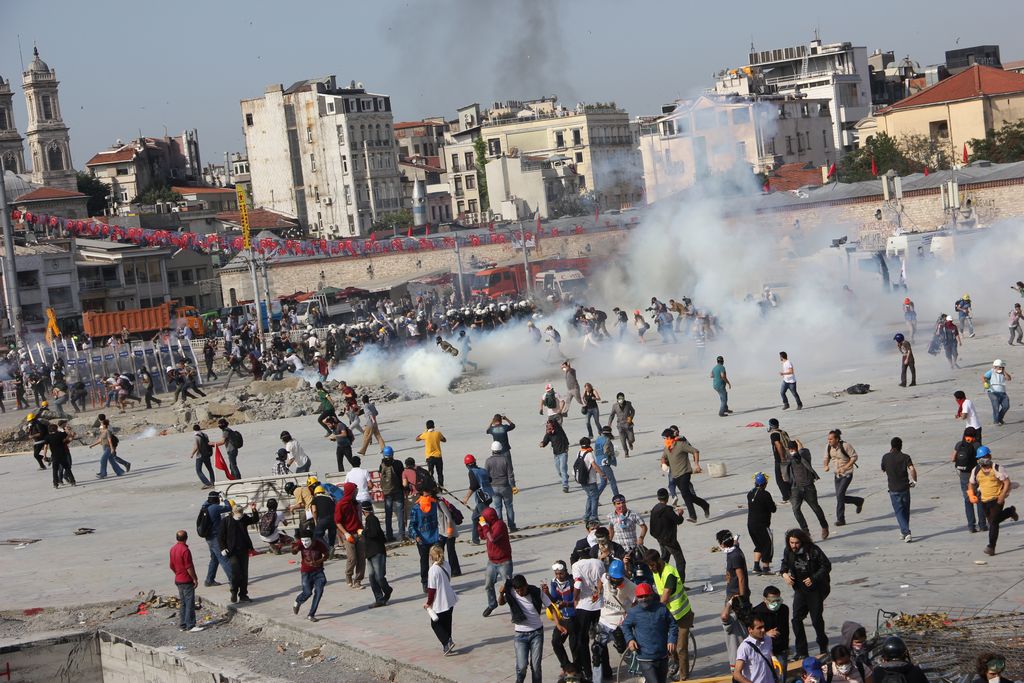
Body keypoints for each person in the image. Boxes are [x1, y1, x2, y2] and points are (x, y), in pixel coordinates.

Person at [780, 528, 831, 658]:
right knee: (796, 619)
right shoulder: (788, 551)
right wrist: (784, 574)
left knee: (816, 620)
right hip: (799, 589)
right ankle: (802, 651)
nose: (794, 546)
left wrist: (814, 578)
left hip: (815, 590)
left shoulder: (813, 550)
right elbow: (784, 564)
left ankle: (823, 647)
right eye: (791, 543)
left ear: (802, 541)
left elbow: (826, 565)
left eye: (796, 543)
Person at [646, 549, 693, 680]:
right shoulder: (656, 571)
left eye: (652, 565)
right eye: (649, 566)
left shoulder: (669, 573)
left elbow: (665, 597)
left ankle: (684, 677)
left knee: (681, 648)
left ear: (658, 560)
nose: (651, 568)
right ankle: (675, 664)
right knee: (668, 645)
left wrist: (654, 613)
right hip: (669, 615)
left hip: (682, 615)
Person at [499, 574, 552, 683]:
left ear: (526, 585)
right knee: (522, 666)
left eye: (522, 590)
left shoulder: (536, 592)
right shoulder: (512, 592)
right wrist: (501, 593)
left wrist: (558, 623)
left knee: (536, 666)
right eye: (518, 591)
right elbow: (501, 602)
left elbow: (550, 606)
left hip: (537, 633)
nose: (520, 593)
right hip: (520, 635)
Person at [622, 581, 679, 683]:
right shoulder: (633, 612)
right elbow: (625, 626)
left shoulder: (662, 609)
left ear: (651, 595)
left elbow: (673, 625)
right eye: (641, 596)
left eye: (646, 596)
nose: (644, 599)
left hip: (662, 656)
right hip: (645, 658)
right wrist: (630, 639)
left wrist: (672, 639)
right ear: (637, 597)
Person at [968, 446, 1019, 555]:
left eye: (985, 456)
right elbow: (971, 483)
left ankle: (991, 547)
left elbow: (1007, 482)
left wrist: (1002, 496)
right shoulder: (976, 470)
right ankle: (1010, 511)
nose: (983, 459)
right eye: (980, 457)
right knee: (992, 521)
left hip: (996, 499)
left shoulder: (997, 468)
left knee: (994, 522)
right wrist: (971, 494)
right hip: (984, 500)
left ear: (990, 456)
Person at [592, 559, 636, 682]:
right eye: (613, 579)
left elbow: (637, 602)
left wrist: (630, 615)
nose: (615, 583)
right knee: (596, 651)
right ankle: (597, 681)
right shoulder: (605, 577)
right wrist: (598, 591)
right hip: (604, 621)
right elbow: (600, 580)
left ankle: (640, 672)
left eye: (618, 580)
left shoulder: (629, 586)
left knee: (625, 651)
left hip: (619, 623)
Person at [661, 428, 710, 522]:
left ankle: (693, 516)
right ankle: (704, 504)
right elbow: (663, 457)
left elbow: (695, 451)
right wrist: (663, 464)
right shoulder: (667, 448)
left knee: (685, 494)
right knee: (688, 495)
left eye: (665, 438)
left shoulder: (681, 445)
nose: (664, 441)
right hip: (675, 475)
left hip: (685, 473)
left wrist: (696, 464)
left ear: (669, 437)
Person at [570, 552, 606, 679]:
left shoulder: (577, 565)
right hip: (599, 604)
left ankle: (588, 672)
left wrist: (575, 599)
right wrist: (598, 593)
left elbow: (578, 584)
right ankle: (605, 670)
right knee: (601, 638)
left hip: (584, 606)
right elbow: (603, 581)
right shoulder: (599, 562)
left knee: (582, 640)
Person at [785, 438, 830, 540]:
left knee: (815, 508)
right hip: (796, 488)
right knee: (796, 509)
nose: (791, 451)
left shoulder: (804, 454)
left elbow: (803, 450)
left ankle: (824, 526)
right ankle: (805, 532)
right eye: (790, 449)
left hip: (808, 486)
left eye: (793, 449)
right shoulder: (789, 457)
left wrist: (799, 444)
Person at [218, 501, 259, 603]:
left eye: (240, 515)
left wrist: (254, 509)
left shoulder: (244, 518)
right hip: (232, 552)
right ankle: (234, 592)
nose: (239, 517)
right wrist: (223, 548)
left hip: (244, 550)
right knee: (236, 573)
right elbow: (220, 537)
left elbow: (255, 519)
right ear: (233, 513)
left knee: (244, 574)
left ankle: (243, 595)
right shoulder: (226, 521)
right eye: (237, 515)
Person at [823, 429, 864, 527]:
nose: (829, 441)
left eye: (831, 439)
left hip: (847, 474)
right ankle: (858, 501)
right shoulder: (828, 447)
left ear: (837, 439)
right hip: (837, 475)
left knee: (840, 495)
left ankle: (841, 519)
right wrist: (826, 465)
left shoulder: (845, 446)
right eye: (828, 439)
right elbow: (826, 458)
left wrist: (845, 467)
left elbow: (854, 457)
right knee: (839, 497)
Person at [880, 437, 917, 542]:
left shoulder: (886, 457)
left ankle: (906, 532)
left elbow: (883, 469)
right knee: (905, 511)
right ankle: (904, 531)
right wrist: (914, 481)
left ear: (891, 446)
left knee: (899, 511)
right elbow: (912, 469)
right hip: (905, 488)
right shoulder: (905, 457)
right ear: (901, 446)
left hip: (893, 488)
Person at [480, 506, 514, 617]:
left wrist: (485, 526)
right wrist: (480, 526)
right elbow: (483, 536)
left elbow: (492, 539)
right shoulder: (489, 525)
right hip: (492, 561)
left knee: (508, 587)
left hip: (504, 561)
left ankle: (515, 608)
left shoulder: (500, 525)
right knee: (488, 585)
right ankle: (492, 604)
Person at [544, 561, 577, 677]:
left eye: (561, 574)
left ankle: (577, 669)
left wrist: (567, 604)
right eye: (556, 573)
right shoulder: (554, 582)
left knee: (574, 645)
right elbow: (554, 600)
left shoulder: (572, 582)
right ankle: (566, 666)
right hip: (563, 618)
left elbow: (577, 602)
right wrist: (547, 593)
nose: (558, 576)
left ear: (566, 572)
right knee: (556, 641)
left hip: (574, 618)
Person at [952, 427, 987, 534]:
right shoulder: (977, 445)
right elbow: (983, 461)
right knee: (979, 499)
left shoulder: (959, 444)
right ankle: (982, 525)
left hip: (963, 476)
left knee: (968, 500)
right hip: (975, 475)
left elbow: (953, 458)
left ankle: (971, 526)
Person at [424, 544, 458, 656]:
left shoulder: (433, 570)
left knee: (436, 624)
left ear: (431, 556)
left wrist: (428, 603)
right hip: (450, 598)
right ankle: (448, 643)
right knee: (447, 622)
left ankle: (446, 642)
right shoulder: (446, 564)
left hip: (440, 601)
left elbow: (432, 590)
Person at [289, 528, 328, 622]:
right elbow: (294, 552)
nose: (305, 543)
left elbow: (327, 555)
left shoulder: (319, 544)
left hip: (318, 572)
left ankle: (311, 614)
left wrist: (319, 562)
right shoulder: (301, 543)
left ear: (312, 539)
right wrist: (294, 548)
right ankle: (298, 601)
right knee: (307, 592)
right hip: (306, 572)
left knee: (319, 592)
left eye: (307, 541)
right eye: (303, 541)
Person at [408, 485, 441, 593]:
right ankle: (425, 582)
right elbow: (411, 525)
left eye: (429, 494)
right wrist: (416, 536)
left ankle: (438, 581)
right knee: (424, 562)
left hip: (435, 538)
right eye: (426, 494)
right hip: (422, 540)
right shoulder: (416, 508)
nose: (428, 496)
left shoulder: (435, 504)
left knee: (438, 561)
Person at [169, 530, 203, 632]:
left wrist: (178, 573)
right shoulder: (185, 550)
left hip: (178, 580)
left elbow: (171, 565)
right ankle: (190, 625)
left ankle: (183, 625)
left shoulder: (173, 549)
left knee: (183, 603)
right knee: (189, 603)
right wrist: (195, 578)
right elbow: (189, 567)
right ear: (186, 538)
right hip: (186, 580)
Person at [362, 500, 394, 608]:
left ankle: (387, 590)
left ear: (363, 512)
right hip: (370, 553)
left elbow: (374, 533)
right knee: (372, 578)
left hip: (377, 552)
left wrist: (363, 533)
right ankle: (379, 599)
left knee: (379, 577)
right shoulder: (368, 520)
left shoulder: (372, 519)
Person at [649, 488, 687, 579]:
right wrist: (680, 514)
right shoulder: (667, 510)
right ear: (667, 497)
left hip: (660, 539)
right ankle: (680, 583)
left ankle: (659, 579)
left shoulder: (655, 509)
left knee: (664, 559)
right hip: (670, 541)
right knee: (680, 561)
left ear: (658, 498)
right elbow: (679, 521)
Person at [335, 482, 366, 589]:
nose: (356, 492)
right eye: (355, 491)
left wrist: (362, 531)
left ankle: (358, 580)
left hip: (359, 532)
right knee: (352, 558)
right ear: (350, 492)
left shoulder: (356, 504)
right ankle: (348, 576)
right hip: (348, 534)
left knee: (361, 558)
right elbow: (338, 522)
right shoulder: (341, 504)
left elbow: (359, 519)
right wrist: (345, 533)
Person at [199, 491, 232, 587]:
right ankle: (233, 580)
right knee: (224, 558)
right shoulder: (214, 508)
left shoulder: (205, 506)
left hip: (209, 537)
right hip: (215, 538)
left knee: (214, 558)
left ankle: (209, 580)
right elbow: (228, 508)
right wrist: (225, 499)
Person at [747, 473, 777, 575]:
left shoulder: (750, 493)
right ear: (765, 483)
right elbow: (773, 509)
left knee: (758, 544)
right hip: (762, 525)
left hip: (750, 524)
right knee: (767, 544)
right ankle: (766, 568)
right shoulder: (765, 494)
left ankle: (756, 566)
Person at [732, 615, 776, 683]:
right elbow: (737, 674)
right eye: (759, 628)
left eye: (763, 626)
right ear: (750, 630)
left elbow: (768, 658)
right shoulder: (744, 647)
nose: (763, 630)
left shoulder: (768, 639)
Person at [752, 586, 790, 663]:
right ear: (765, 600)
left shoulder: (784, 609)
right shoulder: (756, 612)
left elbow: (785, 629)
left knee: (781, 673)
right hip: (763, 649)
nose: (775, 603)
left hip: (780, 649)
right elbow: (752, 634)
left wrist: (786, 647)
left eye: (777, 600)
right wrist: (766, 634)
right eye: (772, 601)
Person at [486, 440, 518, 531]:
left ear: (492, 450)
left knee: (497, 508)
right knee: (509, 506)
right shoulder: (505, 459)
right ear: (501, 449)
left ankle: (499, 528)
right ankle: (512, 526)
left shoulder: (488, 461)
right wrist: (513, 486)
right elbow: (510, 474)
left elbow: (486, 476)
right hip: (505, 486)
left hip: (494, 487)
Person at [575, 437, 606, 524]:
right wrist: (602, 474)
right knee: (594, 498)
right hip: (591, 480)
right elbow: (594, 465)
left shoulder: (579, 452)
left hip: (582, 480)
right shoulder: (589, 454)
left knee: (590, 497)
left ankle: (586, 516)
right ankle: (594, 517)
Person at [379, 446, 406, 542]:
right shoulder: (398, 463)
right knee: (400, 513)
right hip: (397, 490)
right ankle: (402, 535)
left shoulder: (382, 464)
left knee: (388, 514)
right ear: (392, 454)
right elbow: (402, 476)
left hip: (387, 492)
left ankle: (389, 536)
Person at [541, 416, 571, 493]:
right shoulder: (548, 434)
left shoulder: (559, 430)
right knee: (559, 471)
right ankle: (565, 477)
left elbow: (557, 424)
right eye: (547, 428)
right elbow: (545, 441)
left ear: (553, 426)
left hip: (563, 453)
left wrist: (552, 419)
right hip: (556, 455)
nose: (548, 429)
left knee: (563, 469)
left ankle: (565, 486)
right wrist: (542, 444)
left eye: (550, 427)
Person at [436, 490, 462, 576]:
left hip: (448, 530)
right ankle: (440, 570)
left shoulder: (440, 503)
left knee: (450, 550)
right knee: (439, 550)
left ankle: (455, 571)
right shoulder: (430, 504)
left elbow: (449, 517)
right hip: (441, 531)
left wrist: (450, 531)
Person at [767, 419, 793, 503]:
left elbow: (778, 445)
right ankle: (793, 494)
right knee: (788, 476)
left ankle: (786, 497)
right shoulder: (783, 432)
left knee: (780, 479)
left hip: (780, 459)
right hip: (789, 456)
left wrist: (782, 458)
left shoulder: (774, 434)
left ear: (770, 425)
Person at [417, 419, 448, 487]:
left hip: (429, 457)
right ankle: (441, 487)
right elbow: (444, 440)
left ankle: (432, 487)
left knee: (430, 473)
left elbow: (417, 438)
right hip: (438, 456)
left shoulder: (425, 434)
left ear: (426, 427)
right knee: (440, 473)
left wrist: (424, 432)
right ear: (433, 426)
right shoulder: (438, 433)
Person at [44, 423, 75, 489]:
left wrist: (44, 455)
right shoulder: (61, 434)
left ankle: (55, 484)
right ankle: (73, 482)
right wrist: (67, 430)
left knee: (55, 471)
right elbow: (69, 435)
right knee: (67, 468)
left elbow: (46, 447)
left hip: (54, 456)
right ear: (56, 429)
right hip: (62, 455)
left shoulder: (47, 437)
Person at [983, 360, 1012, 426]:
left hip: (1002, 392)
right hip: (992, 392)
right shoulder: (991, 372)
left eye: (1002, 367)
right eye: (999, 367)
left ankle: (1000, 418)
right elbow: (984, 377)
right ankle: (996, 421)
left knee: (1006, 406)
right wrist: (985, 383)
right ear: (995, 367)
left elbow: (1009, 378)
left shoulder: (1003, 372)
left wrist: (1004, 372)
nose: (1000, 368)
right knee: (996, 406)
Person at [606, 392, 636, 457]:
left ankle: (630, 442)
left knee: (632, 439)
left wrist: (630, 417)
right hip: (620, 426)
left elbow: (633, 411)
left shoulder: (628, 404)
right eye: (619, 398)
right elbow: (612, 415)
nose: (621, 400)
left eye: (622, 398)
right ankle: (626, 452)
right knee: (622, 441)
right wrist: (609, 424)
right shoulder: (615, 406)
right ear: (617, 399)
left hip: (628, 425)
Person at [594, 425, 620, 499]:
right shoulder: (607, 440)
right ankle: (617, 498)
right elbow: (606, 451)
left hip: (599, 463)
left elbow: (596, 451)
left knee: (603, 483)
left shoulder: (598, 439)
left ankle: (595, 498)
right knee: (612, 482)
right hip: (605, 463)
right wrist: (613, 453)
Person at [310, 485, 337, 552]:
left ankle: (328, 548)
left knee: (317, 535)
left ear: (315, 493)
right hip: (333, 519)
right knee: (332, 535)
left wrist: (315, 521)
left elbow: (314, 511)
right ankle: (331, 547)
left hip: (323, 519)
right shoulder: (330, 498)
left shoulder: (315, 499)